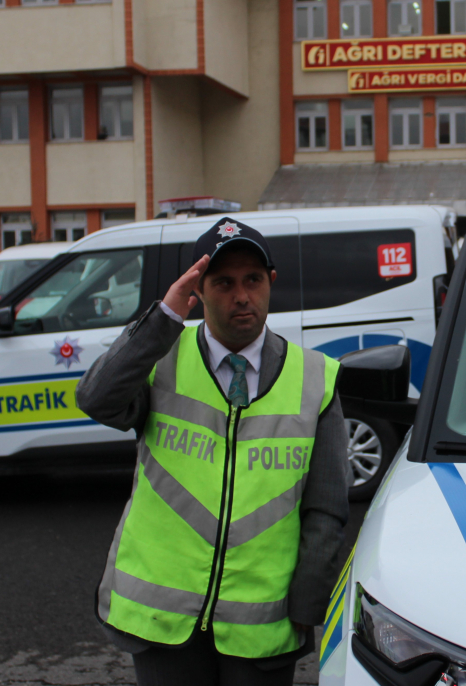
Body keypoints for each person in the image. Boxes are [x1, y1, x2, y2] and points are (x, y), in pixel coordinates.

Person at [76, 217, 350, 686]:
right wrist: (161, 318)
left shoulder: (315, 378)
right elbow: (97, 399)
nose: (241, 296)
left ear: (271, 283)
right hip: (162, 619)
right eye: (223, 283)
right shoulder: (161, 357)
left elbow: (327, 506)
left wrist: (309, 598)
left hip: (261, 620)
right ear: (197, 291)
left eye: (253, 280)